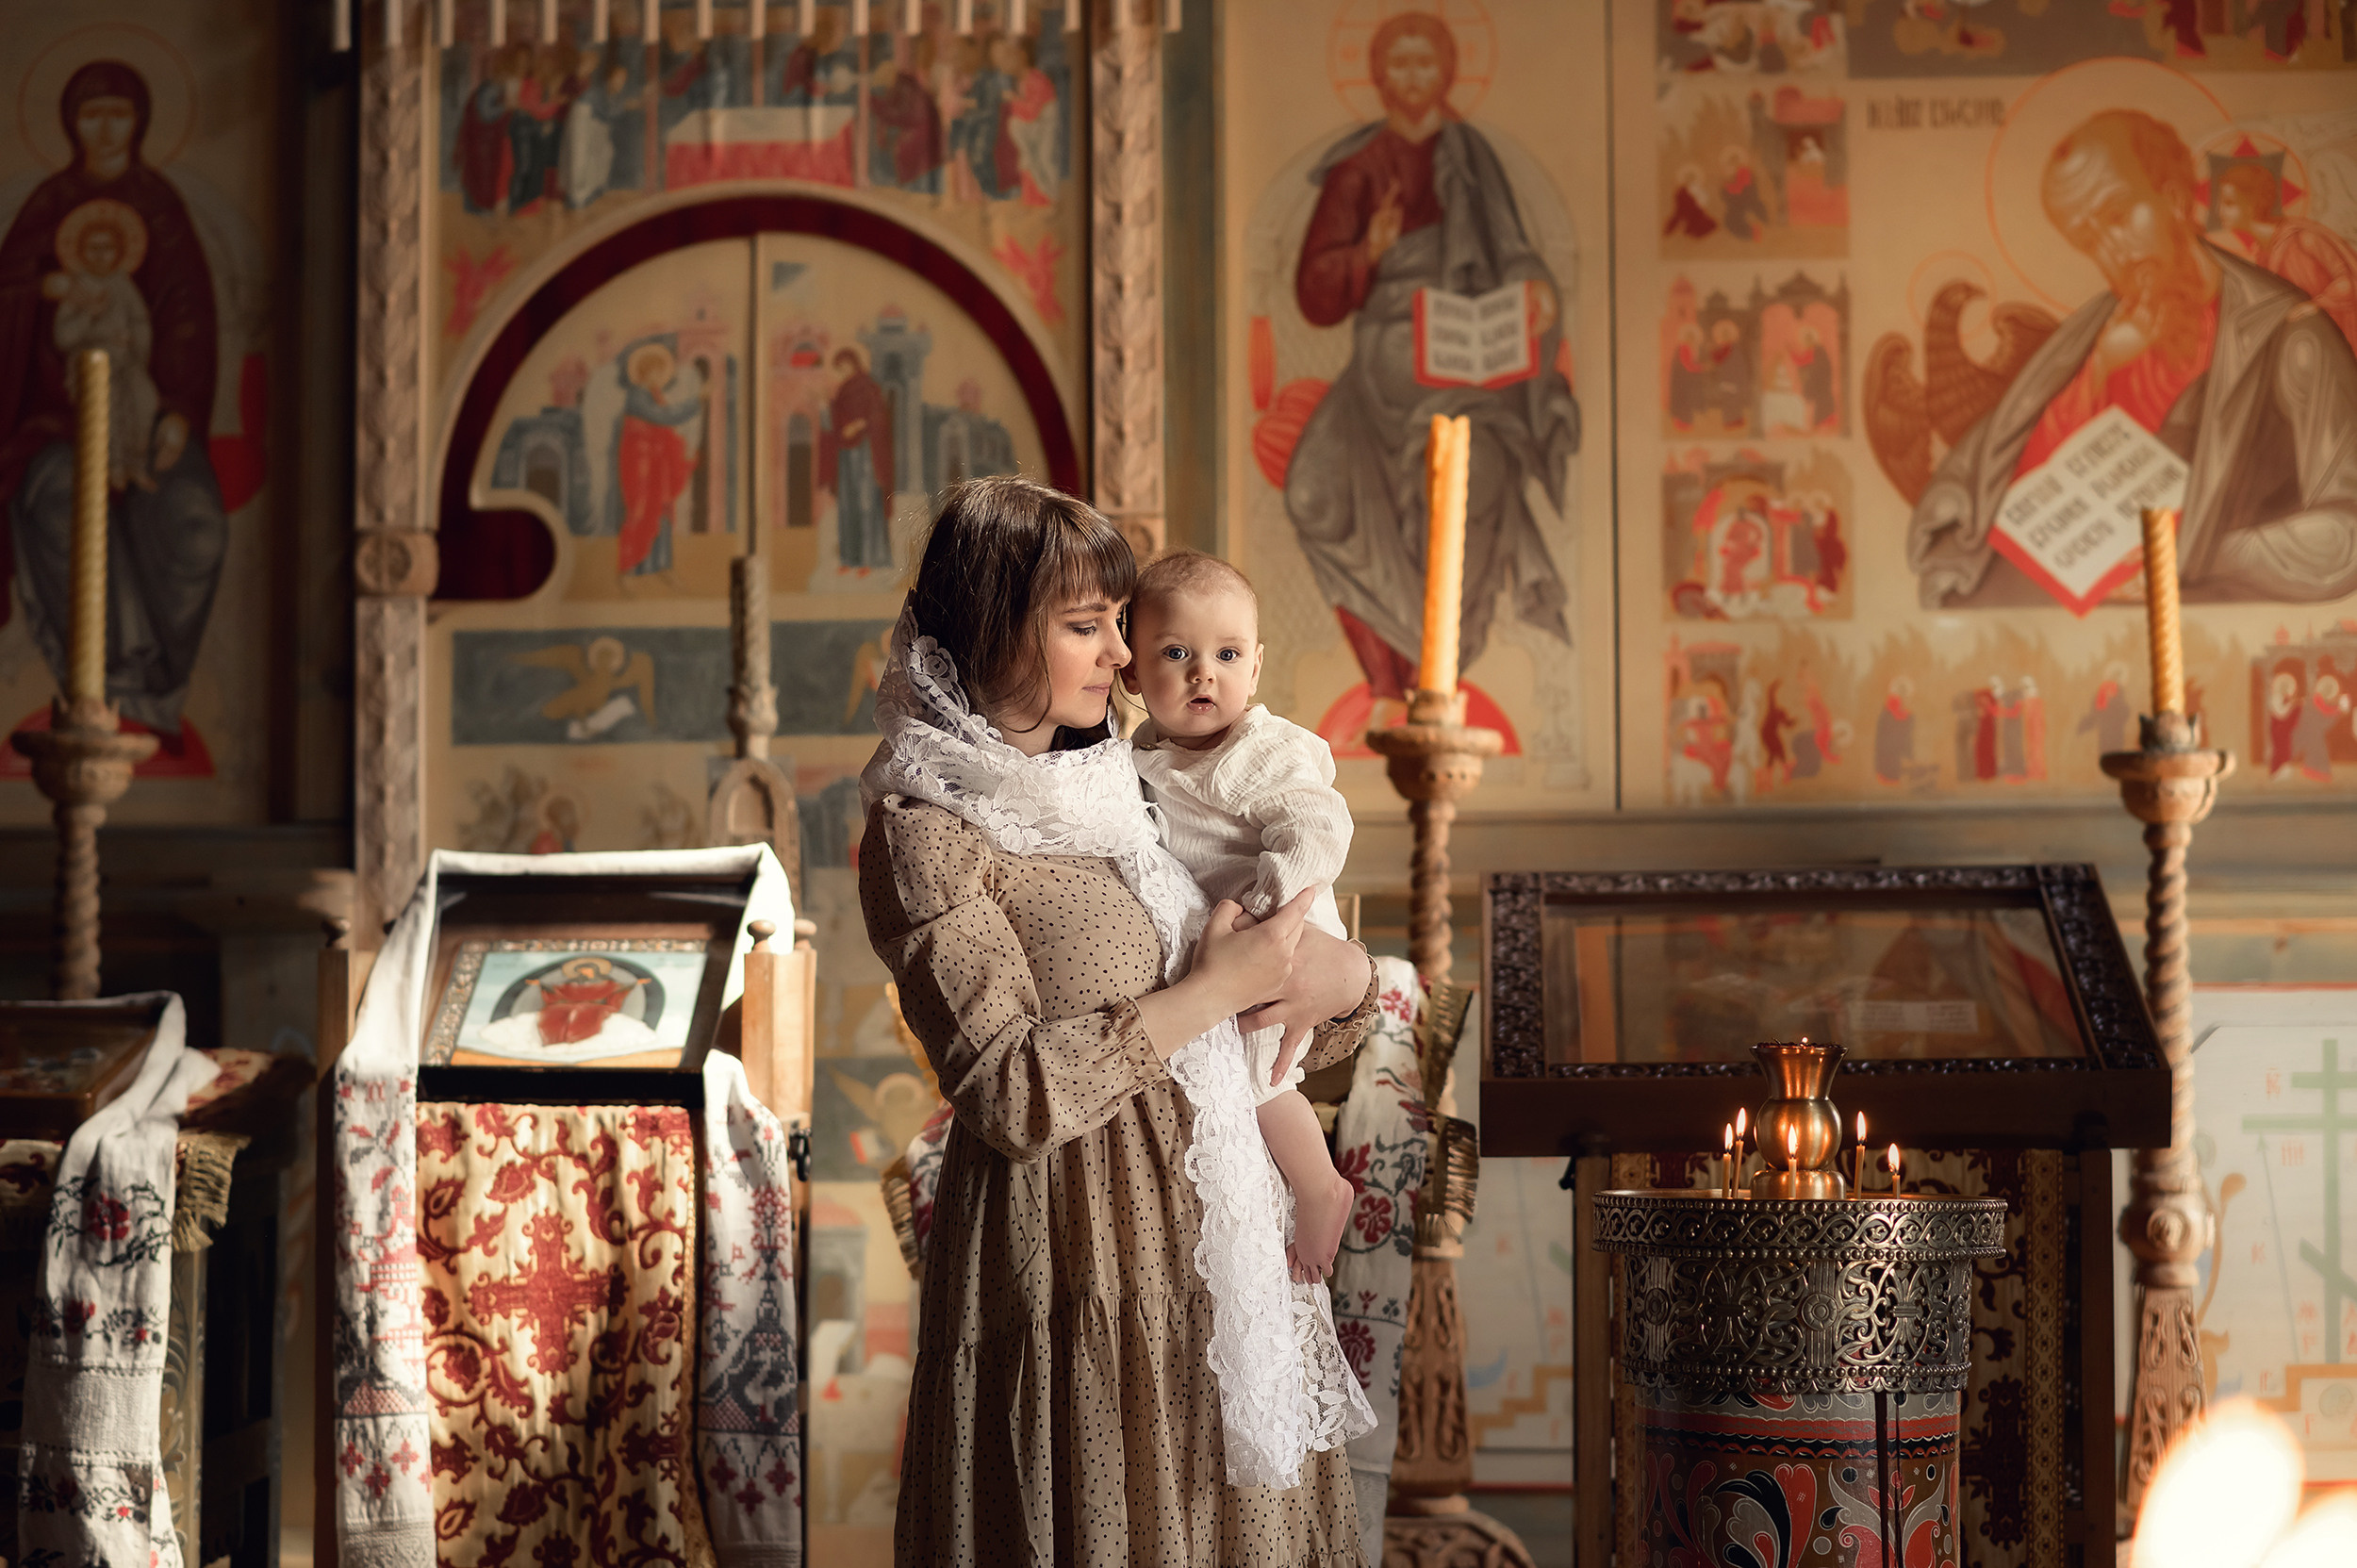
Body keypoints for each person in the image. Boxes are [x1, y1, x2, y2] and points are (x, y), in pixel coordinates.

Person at [861, 477, 1379, 1562]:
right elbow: (1005, 1090)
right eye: (1088, 627)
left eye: (1119, 625)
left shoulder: (1135, 786)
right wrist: (1215, 989)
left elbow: (1273, 1022)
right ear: (1001, 634)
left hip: (1211, 1236)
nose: (1120, 655)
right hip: (1072, 1246)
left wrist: (1348, 979)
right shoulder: (927, 833)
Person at [1907, 108, 2357, 607]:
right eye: (2088, 241)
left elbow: (2347, 531)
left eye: (2119, 216)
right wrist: (2100, 371)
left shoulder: (2292, 339)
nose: (2113, 251)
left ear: (2173, 196)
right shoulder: (2091, 337)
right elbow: (1991, 490)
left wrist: (2197, 551)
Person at [1284, 9, 1578, 705]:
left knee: (1482, 478)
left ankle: (1438, 674)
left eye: (1428, 63)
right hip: (1382, 375)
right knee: (1313, 490)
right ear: (1381, 77)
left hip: (1468, 366)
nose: (1415, 77)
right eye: (1401, 64)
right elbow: (1315, 290)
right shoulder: (1357, 169)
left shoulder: (1473, 160)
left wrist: (1535, 293)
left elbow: (1513, 252)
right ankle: (1393, 669)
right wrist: (1372, 251)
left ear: (1447, 73)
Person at [1120, 552, 1361, 1287]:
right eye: (1175, 653)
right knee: (1238, 1080)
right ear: (1131, 672)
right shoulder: (1145, 754)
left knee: (1260, 1079)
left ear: (1255, 667)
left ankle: (1322, 1187)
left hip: (1282, 930)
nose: (1204, 674)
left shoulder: (1260, 751)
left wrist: (1264, 915)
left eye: (1226, 654)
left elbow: (1321, 827)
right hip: (1235, 953)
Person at [1, 59, 230, 742]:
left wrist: (181, 411)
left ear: (141, 121)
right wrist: (38, 293)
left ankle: (160, 689)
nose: (105, 128)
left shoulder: (161, 209)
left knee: (195, 525)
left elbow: (189, 318)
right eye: (90, 113)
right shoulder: (46, 207)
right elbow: (9, 294)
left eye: (118, 113)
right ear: (71, 123)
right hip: (54, 424)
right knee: (63, 508)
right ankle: (104, 692)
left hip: (151, 416)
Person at [44, 200, 159, 490]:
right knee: (106, 410)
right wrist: (88, 317)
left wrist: (135, 344)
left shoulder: (123, 284)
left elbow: (139, 321)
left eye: (106, 248)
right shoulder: (77, 287)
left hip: (126, 361)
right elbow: (63, 336)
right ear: (81, 252)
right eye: (93, 248)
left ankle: (135, 464)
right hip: (91, 366)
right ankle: (112, 468)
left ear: (119, 251)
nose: (100, 255)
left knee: (145, 401)